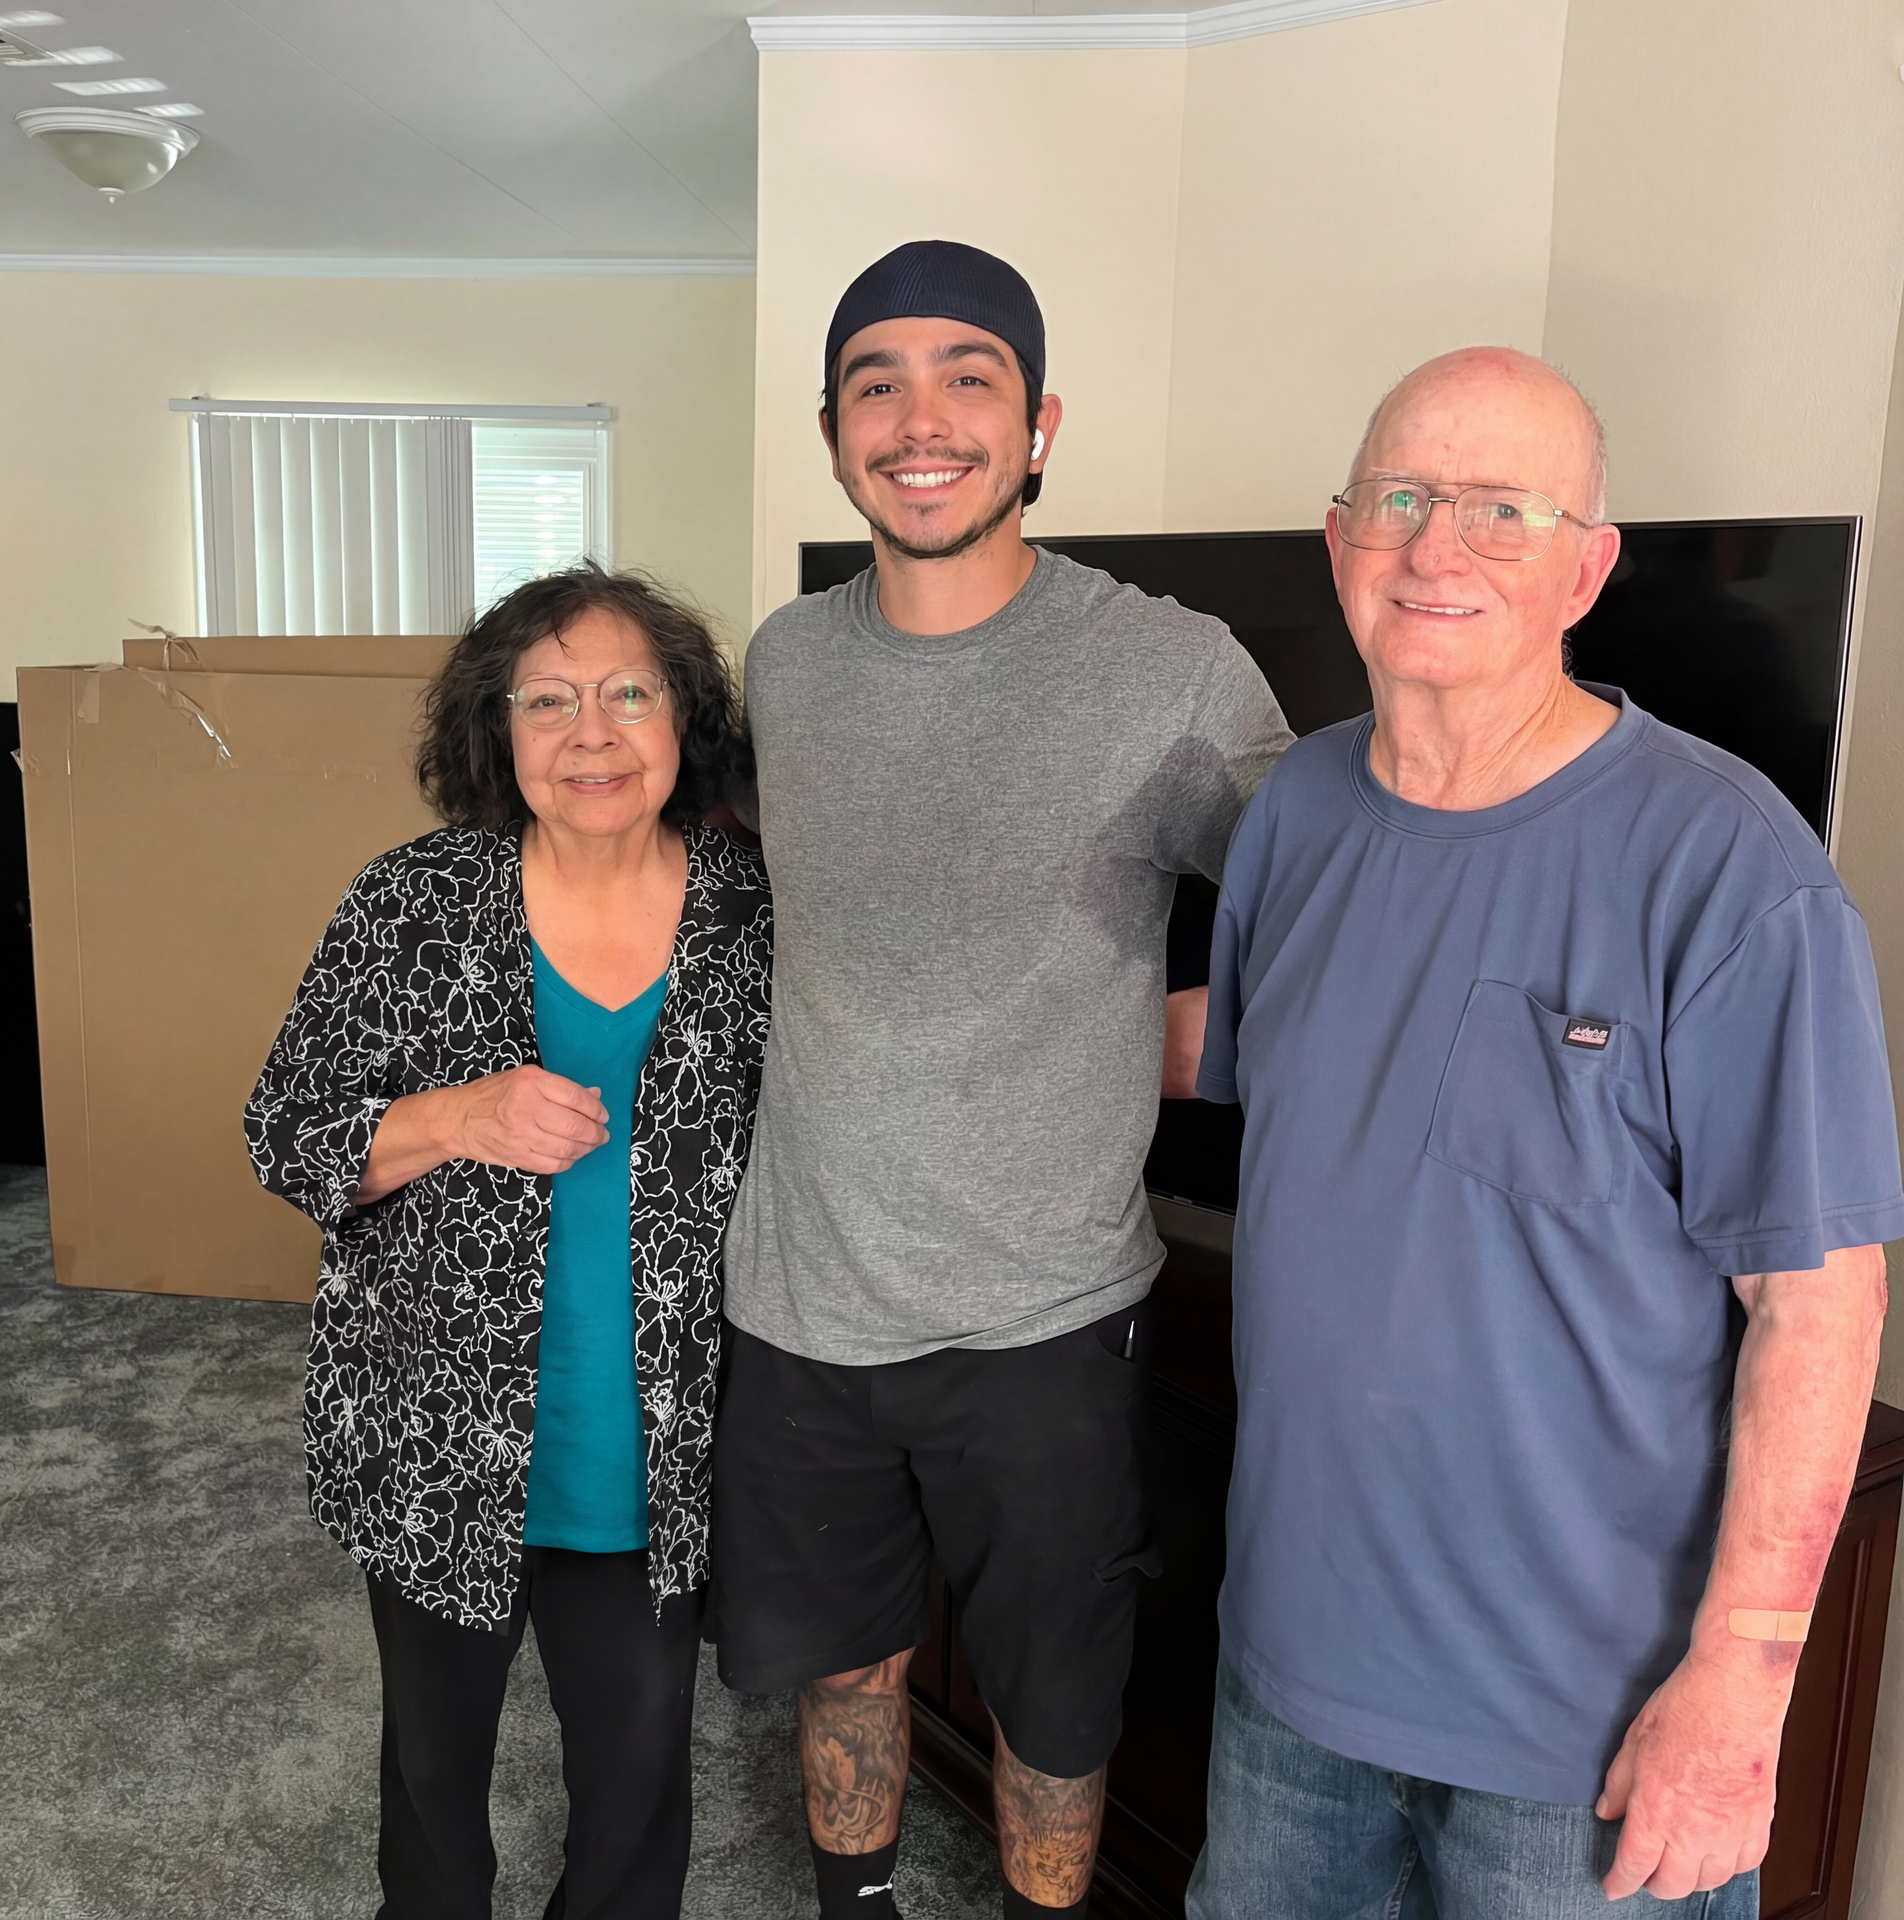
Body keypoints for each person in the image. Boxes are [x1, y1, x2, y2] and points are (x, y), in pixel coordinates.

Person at [1187, 347, 1904, 1916]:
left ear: (1587, 568)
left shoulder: (1730, 870)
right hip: (1288, 1682)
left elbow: (1821, 1304)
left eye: (1502, 509)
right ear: (1338, 540)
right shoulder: (1293, 817)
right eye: (1399, 499)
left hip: (1584, 1736)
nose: (1436, 546)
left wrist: (1743, 1689)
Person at [706, 238, 1295, 1920]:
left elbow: (1346, 907)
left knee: (1054, 1714)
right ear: (834, 434)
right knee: (844, 1671)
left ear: (1039, 426)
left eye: (969, 377)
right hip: (802, 1301)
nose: (921, 419)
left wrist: (1193, 1038)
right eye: (876, 383)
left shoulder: (1170, 668)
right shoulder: (787, 660)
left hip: (1043, 1321)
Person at [245, 566, 772, 1920]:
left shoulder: (756, 912)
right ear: (499, 730)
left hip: (658, 1454)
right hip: (435, 1438)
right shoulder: (411, 901)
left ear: (684, 718)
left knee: (637, 1793)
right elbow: (285, 1131)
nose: (592, 733)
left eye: (628, 693)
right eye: (548, 701)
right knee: (433, 1788)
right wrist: (453, 1116)